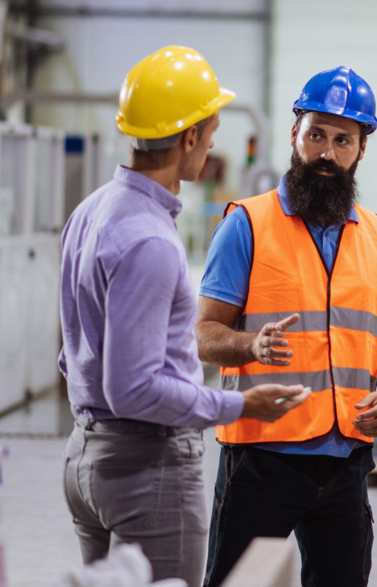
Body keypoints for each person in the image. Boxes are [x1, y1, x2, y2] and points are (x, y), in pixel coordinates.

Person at [59, 45, 310, 587]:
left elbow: (73, 350)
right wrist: (239, 404)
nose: (215, 140)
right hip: (144, 465)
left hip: (86, 454)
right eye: (212, 127)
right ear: (189, 136)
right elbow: (134, 390)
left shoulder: (91, 211)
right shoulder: (150, 239)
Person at [196, 65, 377, 587]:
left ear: (361, 149)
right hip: (261, 461)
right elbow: (204, 335)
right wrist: (249, 343)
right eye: (316, 134)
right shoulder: (246, 224)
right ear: (295, 134)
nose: (327, 152)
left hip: (346, 464)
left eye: (343, 140)